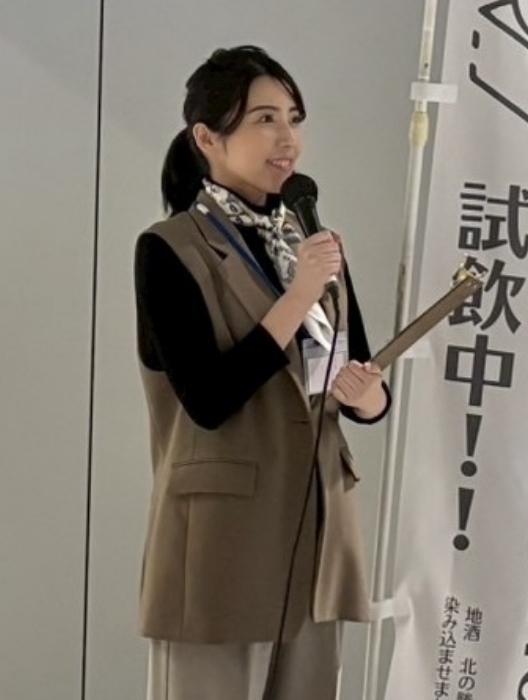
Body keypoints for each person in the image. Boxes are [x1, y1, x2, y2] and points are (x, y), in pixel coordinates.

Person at [133, 45, 390, 700]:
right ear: (207, 138)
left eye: (294, 119)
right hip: (220, 545)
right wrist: (299, 294)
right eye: (265, 119)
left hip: (317, 534)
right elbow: (208, 399)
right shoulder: (169, 248)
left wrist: (369, 398)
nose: (288, 139)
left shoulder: (311, 242)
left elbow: (355, 372)